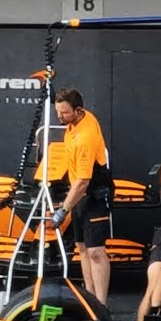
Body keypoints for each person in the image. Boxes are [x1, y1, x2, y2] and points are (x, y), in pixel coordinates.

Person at [50, 88, 113, 305]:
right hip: (78, 194)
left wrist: (62, 211)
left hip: (94, 192)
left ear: (78, 110)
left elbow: (84, 182)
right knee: (83, 248)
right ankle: (90, 301)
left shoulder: (86, 136)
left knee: (96, 251)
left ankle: (101, 306)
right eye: (58, 112)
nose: (60, 117)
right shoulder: (74, 124)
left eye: (64, 113)